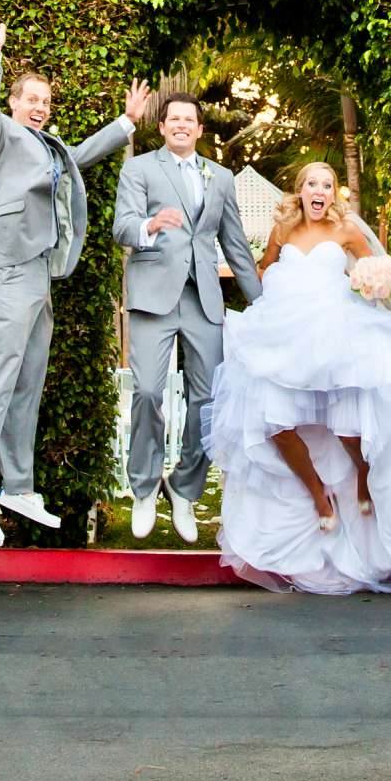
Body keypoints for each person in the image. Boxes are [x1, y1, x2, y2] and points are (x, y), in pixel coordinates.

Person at [205, 162, 391, 594]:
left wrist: (368, 284)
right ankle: (318, 493)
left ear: (333, 192)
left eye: (327, 184)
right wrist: (288, 291)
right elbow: (264, 268)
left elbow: (378, 272)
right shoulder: (283, 228)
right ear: (299, 191)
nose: (319, 191)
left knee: (348, 425)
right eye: (311, 184)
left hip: (337, 337)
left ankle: (362, 476)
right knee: (275, 425)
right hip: (286, 339)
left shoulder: (347, 230)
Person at [0, 0, 148, 547]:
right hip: (7, 271)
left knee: (26, 384)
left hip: (40, 275)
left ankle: (17, 485)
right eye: (31, 99)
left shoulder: (48, 145)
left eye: (46, 100)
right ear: (15, 103)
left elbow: (79, 157)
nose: (40, 106)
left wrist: (125, 124)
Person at [112, 91, 260, 543]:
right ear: (161, 127)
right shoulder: (139, 169)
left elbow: (234, 244)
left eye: (188, 120)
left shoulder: (220, 177)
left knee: (207, 403)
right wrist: (150, 227)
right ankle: (143, 488)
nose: (180, 125)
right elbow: (122, 227)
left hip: (204, 301)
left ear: (199, 129)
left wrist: (262, 303)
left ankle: (184, 489)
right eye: (172, 119)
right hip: (154, 296)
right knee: (149, 394)